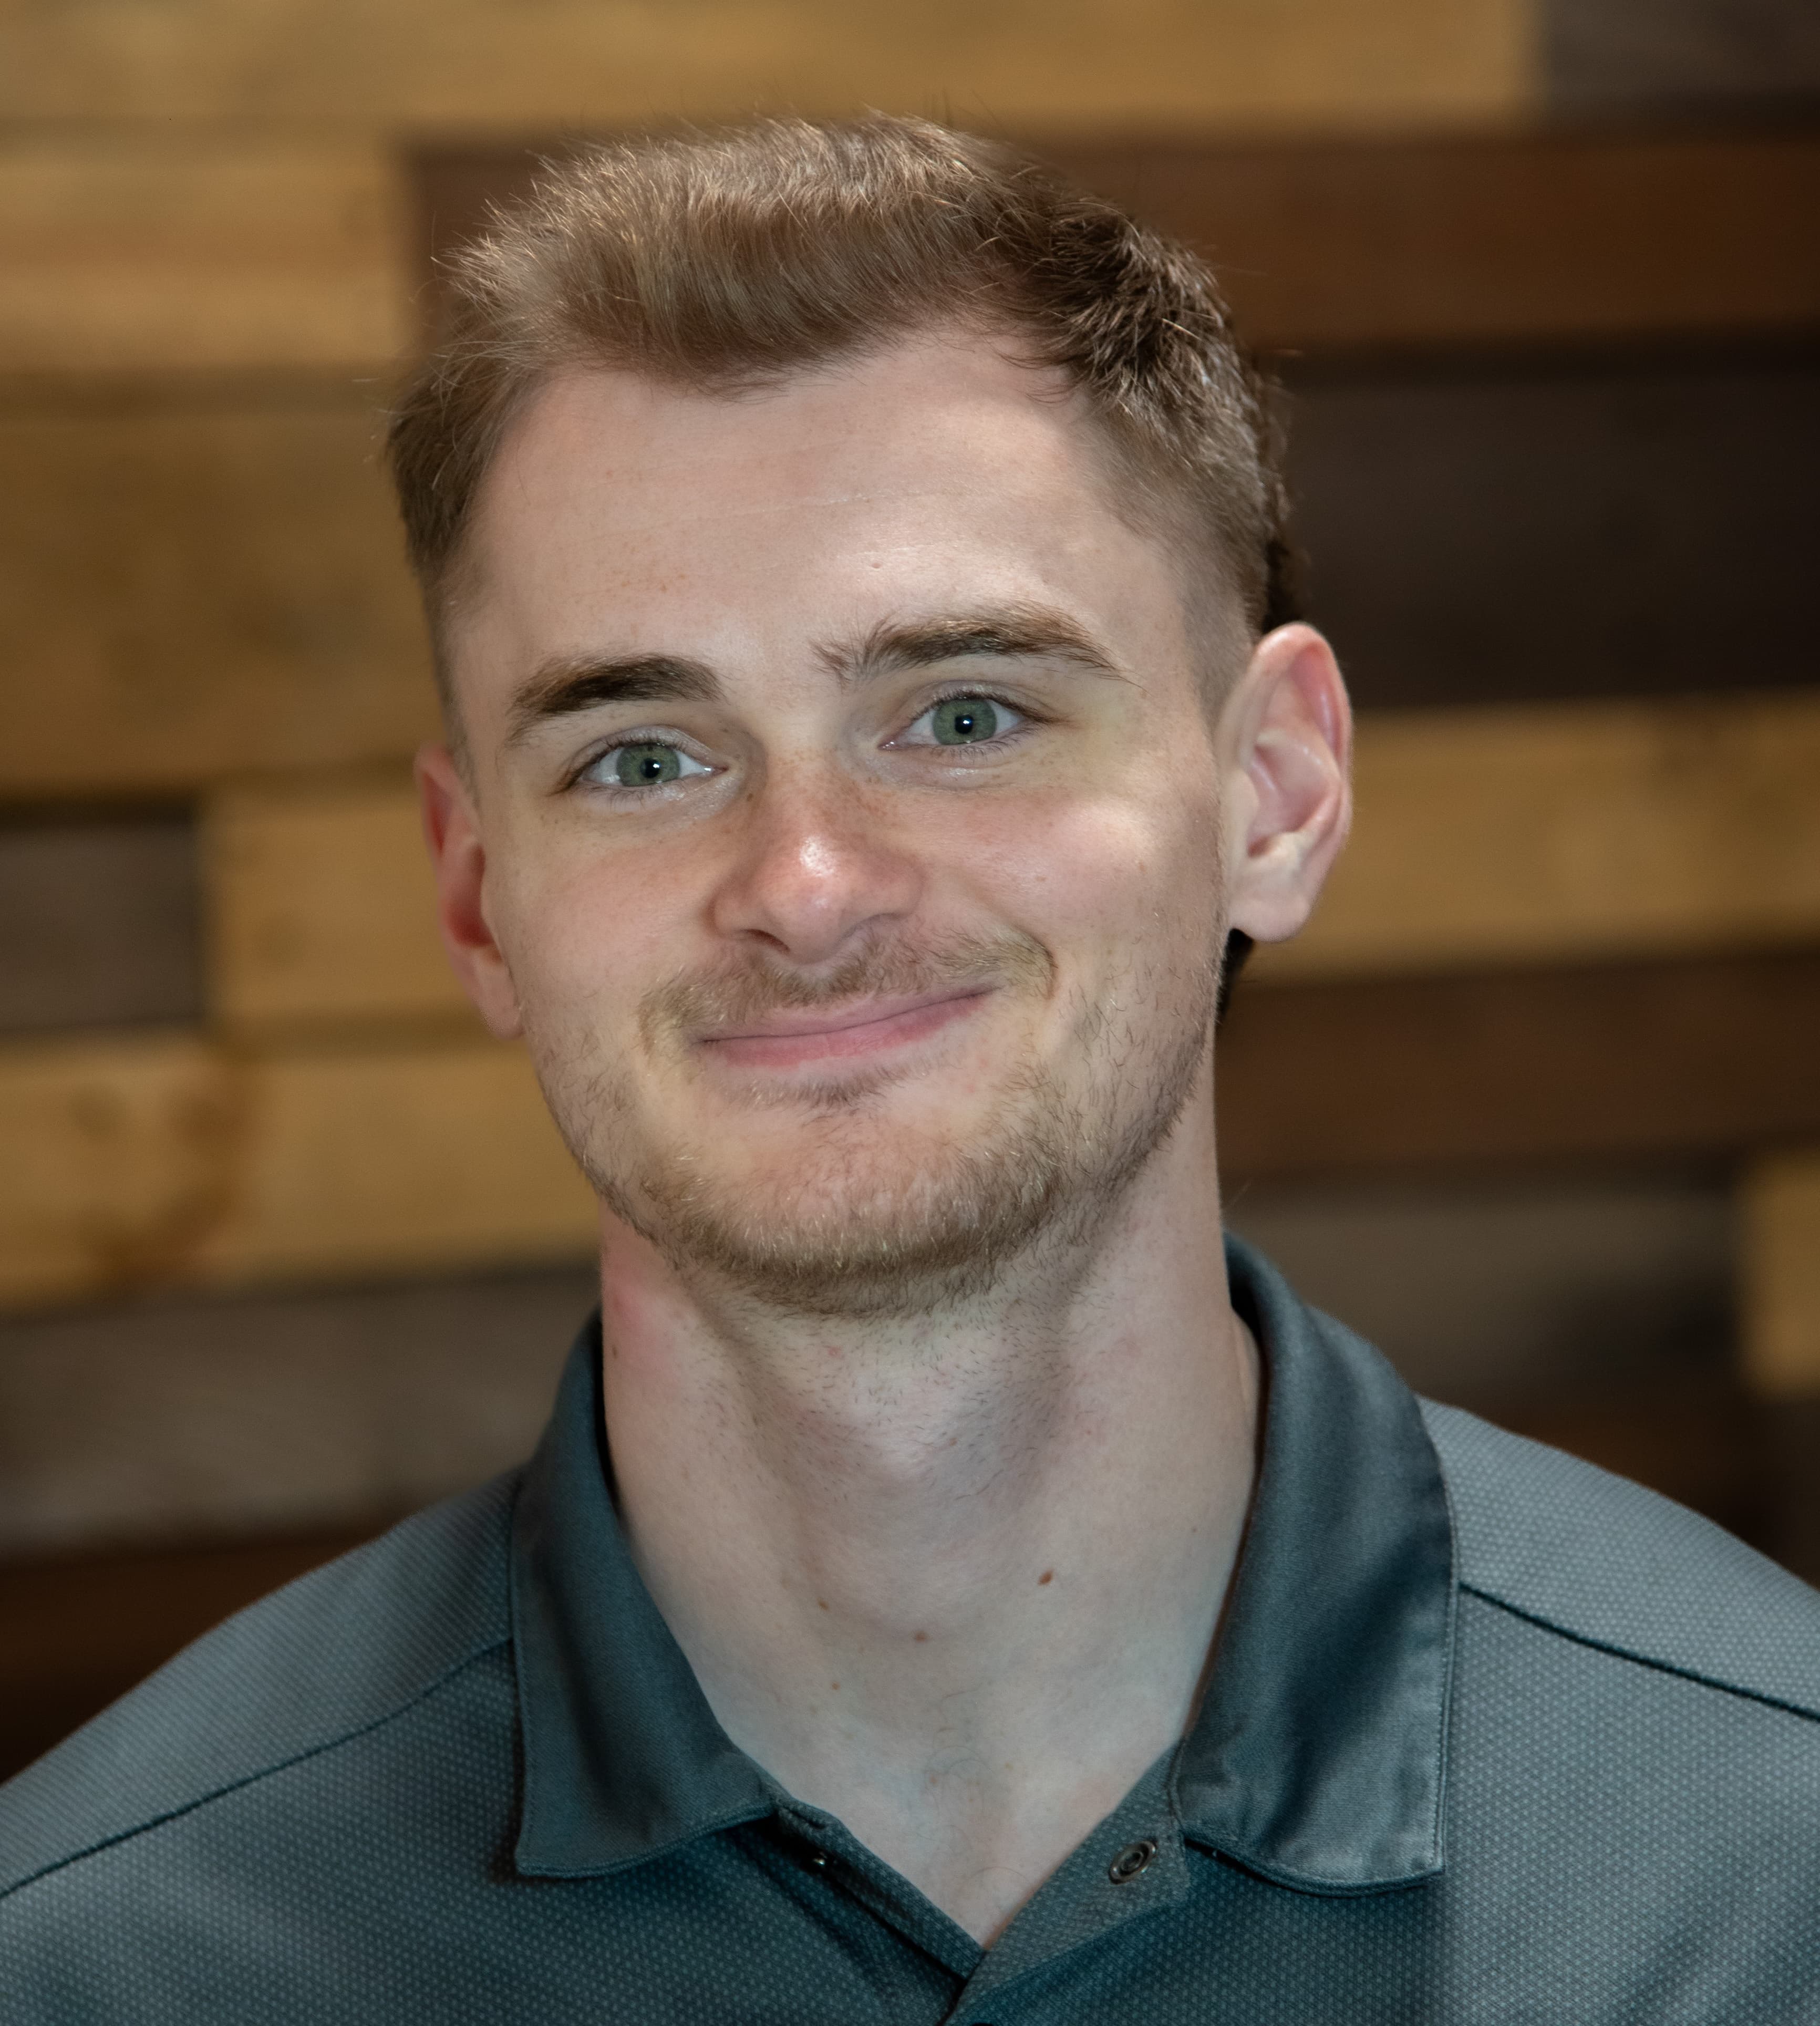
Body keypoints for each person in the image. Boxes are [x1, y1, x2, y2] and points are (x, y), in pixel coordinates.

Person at [4, 118, 1817, 2022]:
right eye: (642, 758)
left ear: (1274, 793)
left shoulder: (1765, 1870)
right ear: (478, 899)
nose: (802, 887)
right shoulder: (104, 1966)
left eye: (964, 715)